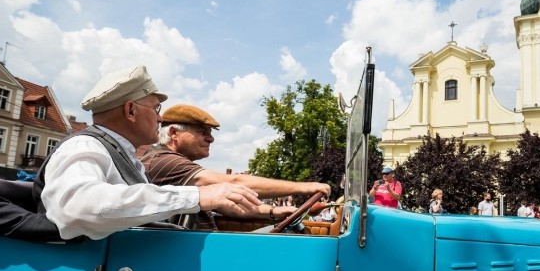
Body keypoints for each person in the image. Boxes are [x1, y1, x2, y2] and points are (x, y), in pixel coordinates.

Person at [36, 65, 262, 240]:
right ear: (131, 110)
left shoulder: (122, 154)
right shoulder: (85, 145)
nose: (160, 118)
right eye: (156, 109)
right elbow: (77, 207)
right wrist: (198, 196)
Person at [139, 104, 330, 229]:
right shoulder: (163, 161)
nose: (211, 138)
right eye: (202, 132)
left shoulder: (172, 163)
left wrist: (274, 212)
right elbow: (234, 182)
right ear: (173, 132)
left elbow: (228, 206)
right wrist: (305, 187)